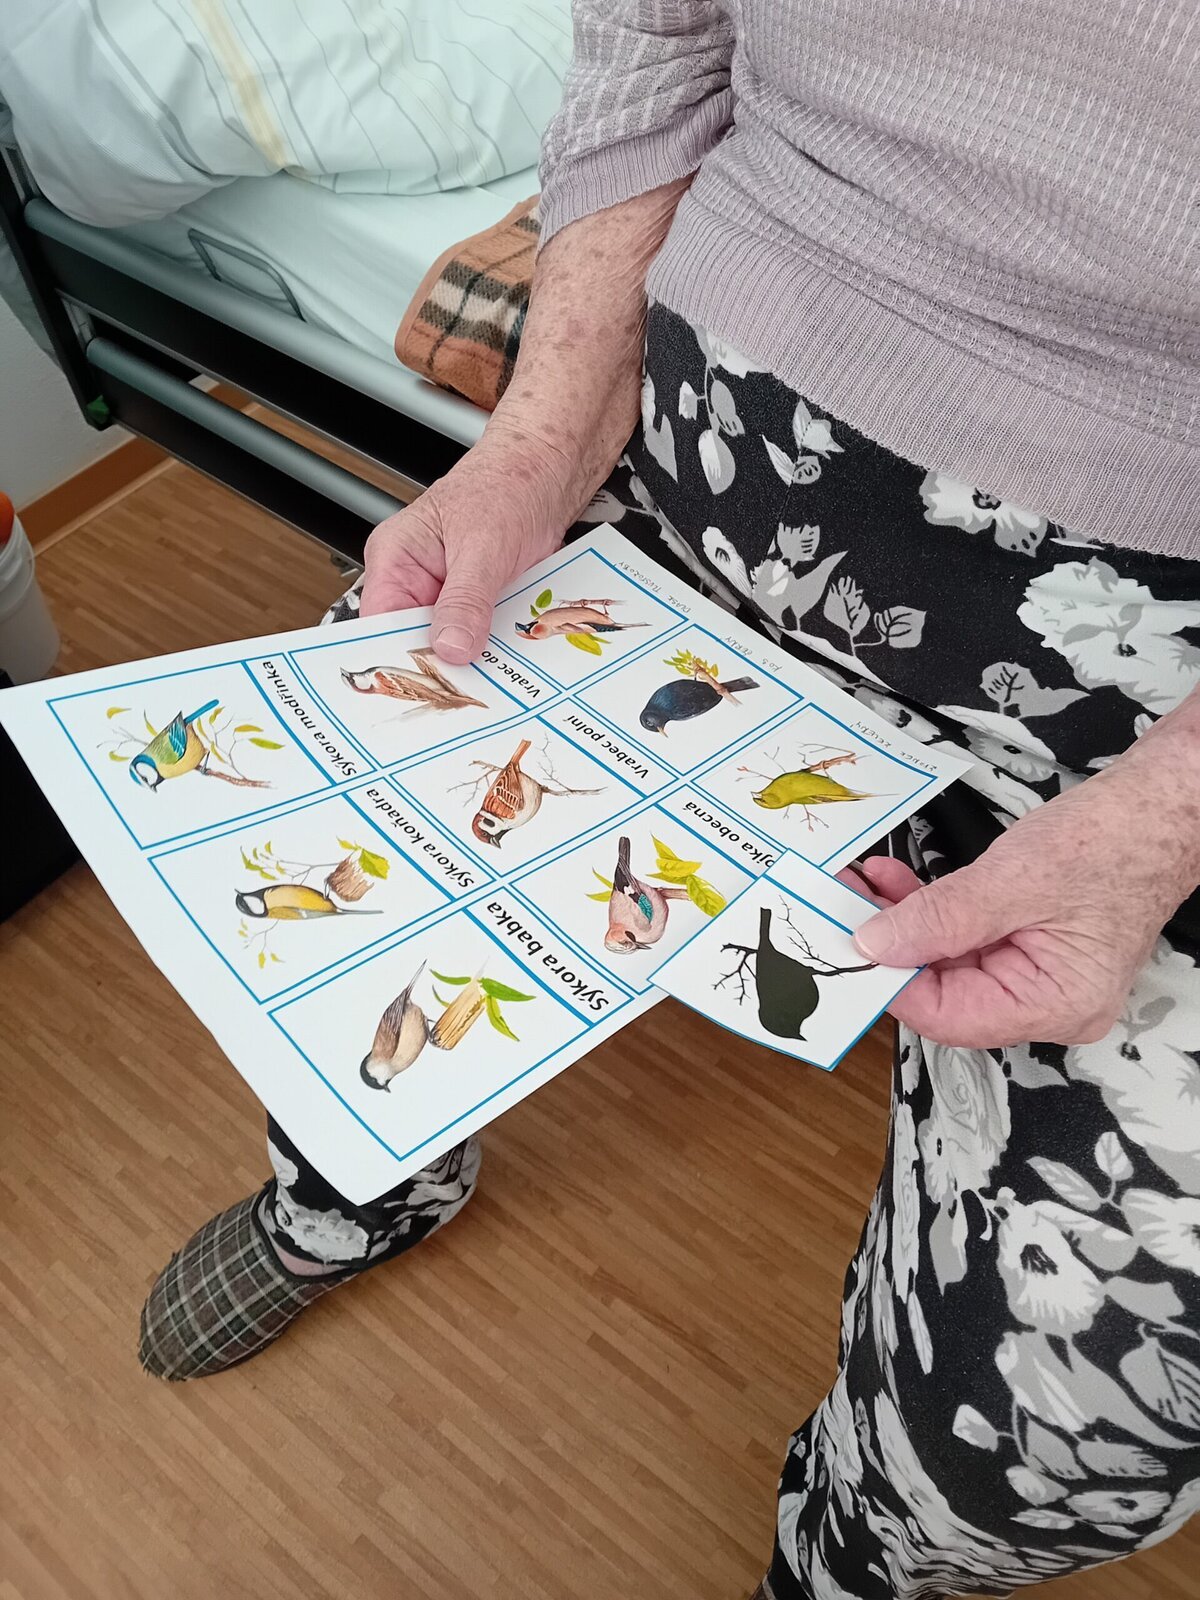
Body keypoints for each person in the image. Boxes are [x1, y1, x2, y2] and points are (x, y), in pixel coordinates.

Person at [140, 4, 1200, 1595]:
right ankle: (361, 1189)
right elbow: (658, 39)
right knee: (303, 854)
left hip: (1143, 703)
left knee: (1059, 1431)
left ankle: (845, 1562)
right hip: (692, 475)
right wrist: (540, 439)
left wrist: (1162, 827)